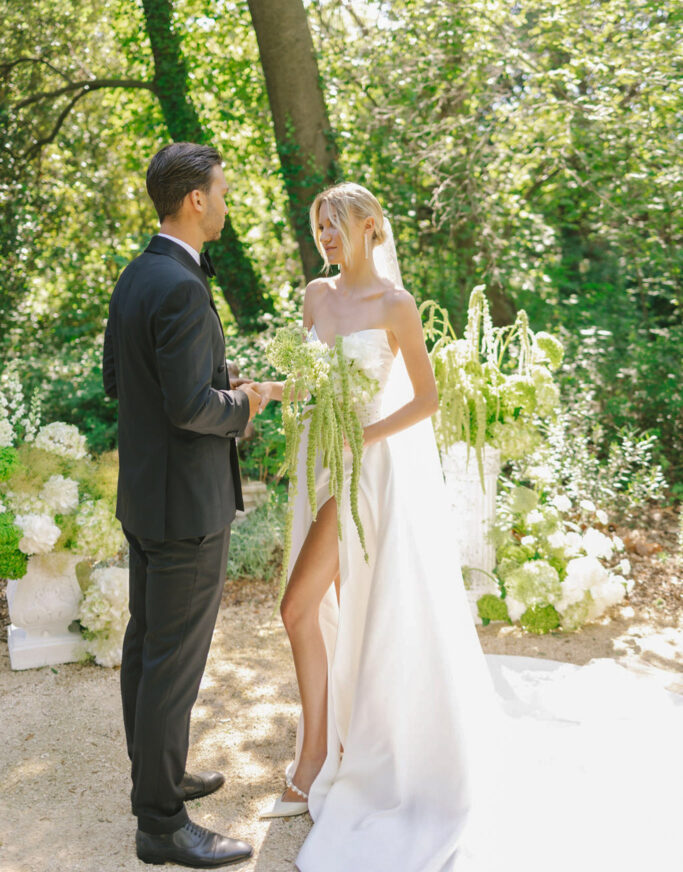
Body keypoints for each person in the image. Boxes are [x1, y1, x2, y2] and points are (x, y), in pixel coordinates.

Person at [259, 182, 682, 872]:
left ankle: (323, 755)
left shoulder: (394, 307)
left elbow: (424, 399)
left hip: (365, 475)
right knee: (311, 608)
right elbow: (307, 382)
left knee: (297, 606)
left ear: (371, 227)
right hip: (317, 464)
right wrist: (269, 391)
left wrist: (364, 438)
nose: (325, 237)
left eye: (335, 224)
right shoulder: (315, 296)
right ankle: (325, 744)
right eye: (318, 226)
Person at [103, 142, 264, 869]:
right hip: (186, 509)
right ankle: (161, 824)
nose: (225, 201)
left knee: (147, 650)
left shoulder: (139, 275)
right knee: (172, 663)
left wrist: (213, 376)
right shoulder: (181, 285)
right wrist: (244, 401)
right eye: (221, 191)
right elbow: (191, 408)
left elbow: (122, 378)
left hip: (145, 497)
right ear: (194, 199)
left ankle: (159, 779)